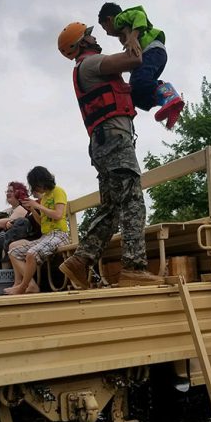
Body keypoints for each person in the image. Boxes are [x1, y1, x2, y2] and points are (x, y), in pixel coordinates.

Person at [57, 22, 164, 289]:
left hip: (104, 143)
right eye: (90, 35)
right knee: (132, 202)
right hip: (114, 142)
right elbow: (135, 59)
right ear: (82, 43)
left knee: (112, 209)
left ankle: (80, 261)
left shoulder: (86, 67)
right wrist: (131, 35)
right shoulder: (91, 64)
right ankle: (134, 269)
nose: (96, 37)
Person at [97, 2, 185, 129]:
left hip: (152, 50)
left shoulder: (120, 19)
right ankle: (167, 103)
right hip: (154, 55)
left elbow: (139, 15)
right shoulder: (124, 30)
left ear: (109, 19)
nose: (107, 33)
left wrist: (133, 36)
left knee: (139, 80)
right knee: (135, 94)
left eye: (105, 28)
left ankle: (169, 94)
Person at [4, 167, 70, 295]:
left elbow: (58, 214)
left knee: (32, 253)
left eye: (35, 185)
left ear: (41, 181)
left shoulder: (58, 191)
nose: (34, 189)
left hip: (60, 234)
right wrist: (33, 209)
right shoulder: (44, 198)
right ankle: (29, 285)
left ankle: (24, 286)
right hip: (47, 236)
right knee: (13, 252)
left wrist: (38, 206)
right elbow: (42, 223)